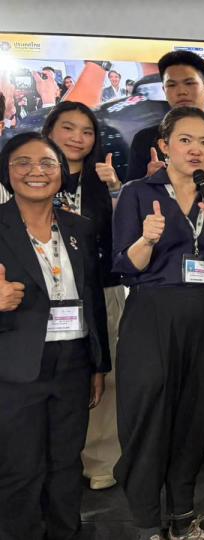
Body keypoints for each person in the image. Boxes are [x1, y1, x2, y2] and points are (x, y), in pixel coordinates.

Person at [112, 107, 204, 540]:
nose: (195, 149)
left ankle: (183, 520)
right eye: (185, 140)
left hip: (199, 314)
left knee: (195, 419)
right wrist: (147, 238)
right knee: (148, 419)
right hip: (151, 313)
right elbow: (124, 266)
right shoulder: (137, 193)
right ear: (164, 146)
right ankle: (147, 525)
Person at [0, 132, 109, 540]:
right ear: (7, 172)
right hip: (15, 367)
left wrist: (98, 365)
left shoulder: (79, 227)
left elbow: (92, 300)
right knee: (20, 468)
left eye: (47, 163)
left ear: (61, 173)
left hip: (73, 362)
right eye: (23, 163)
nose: (36, 172)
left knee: (66, 465)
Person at [40, 101, 126, 491]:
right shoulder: (29, 177)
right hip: (44, 296)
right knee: (49, 377)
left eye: (87, 131)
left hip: (101, 290)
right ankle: (53, 460)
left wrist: (114, 188)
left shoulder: (101, 180)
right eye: (68, 128)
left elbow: (126, 232)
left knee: (104, 377)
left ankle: (101, 460)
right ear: (49, 132)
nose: (78, 138)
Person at [126, 51, 204, 183]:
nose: (181, 92)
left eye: (189, 83)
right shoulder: (145, 140)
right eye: (172, 85)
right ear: (164, 91)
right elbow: (130, 197)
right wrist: (148, 181)